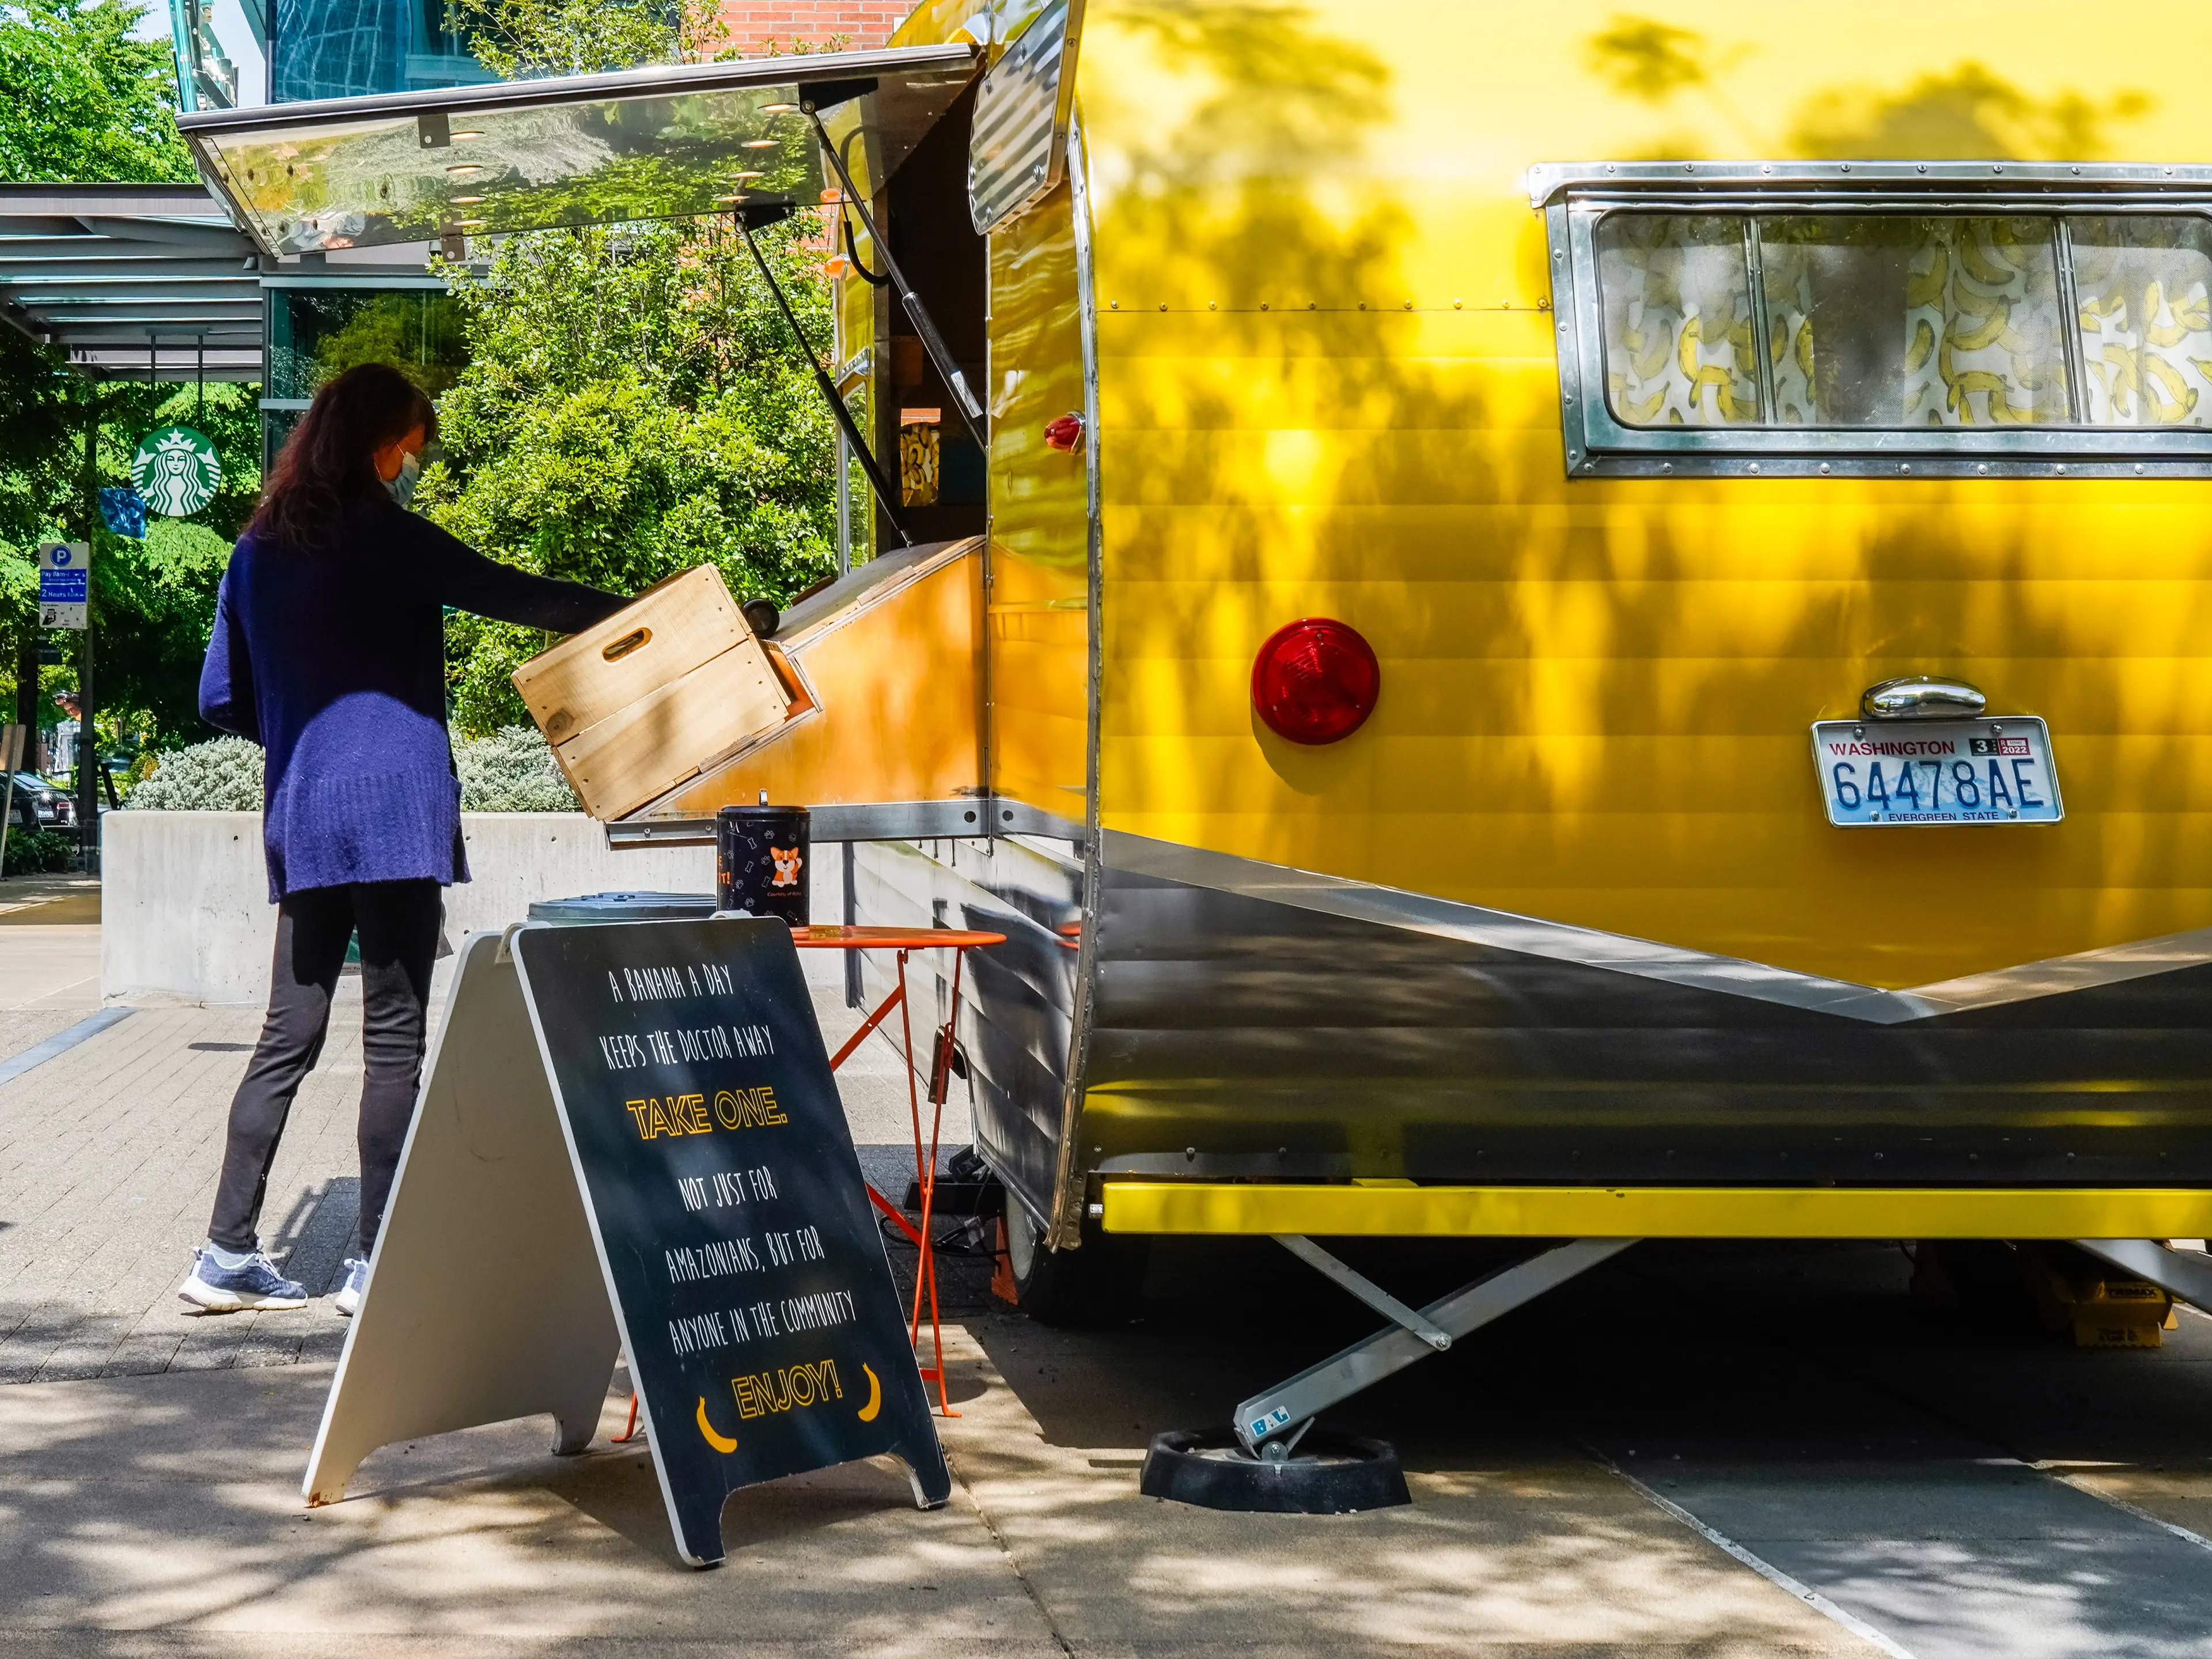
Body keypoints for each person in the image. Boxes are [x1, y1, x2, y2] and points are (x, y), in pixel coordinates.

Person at [178, 363, 629, 1316]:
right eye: (412, 445)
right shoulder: (392, 540)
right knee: (393, 1041)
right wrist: (646, 608)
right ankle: (371, 1266)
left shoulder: (256, 551)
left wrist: (307, 735)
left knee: (284, 1036)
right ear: (379, 440)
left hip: (303, 815)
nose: (414, 461)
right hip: (394, 815)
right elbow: (530, 599)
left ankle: (224, 1254)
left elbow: (220, 697)